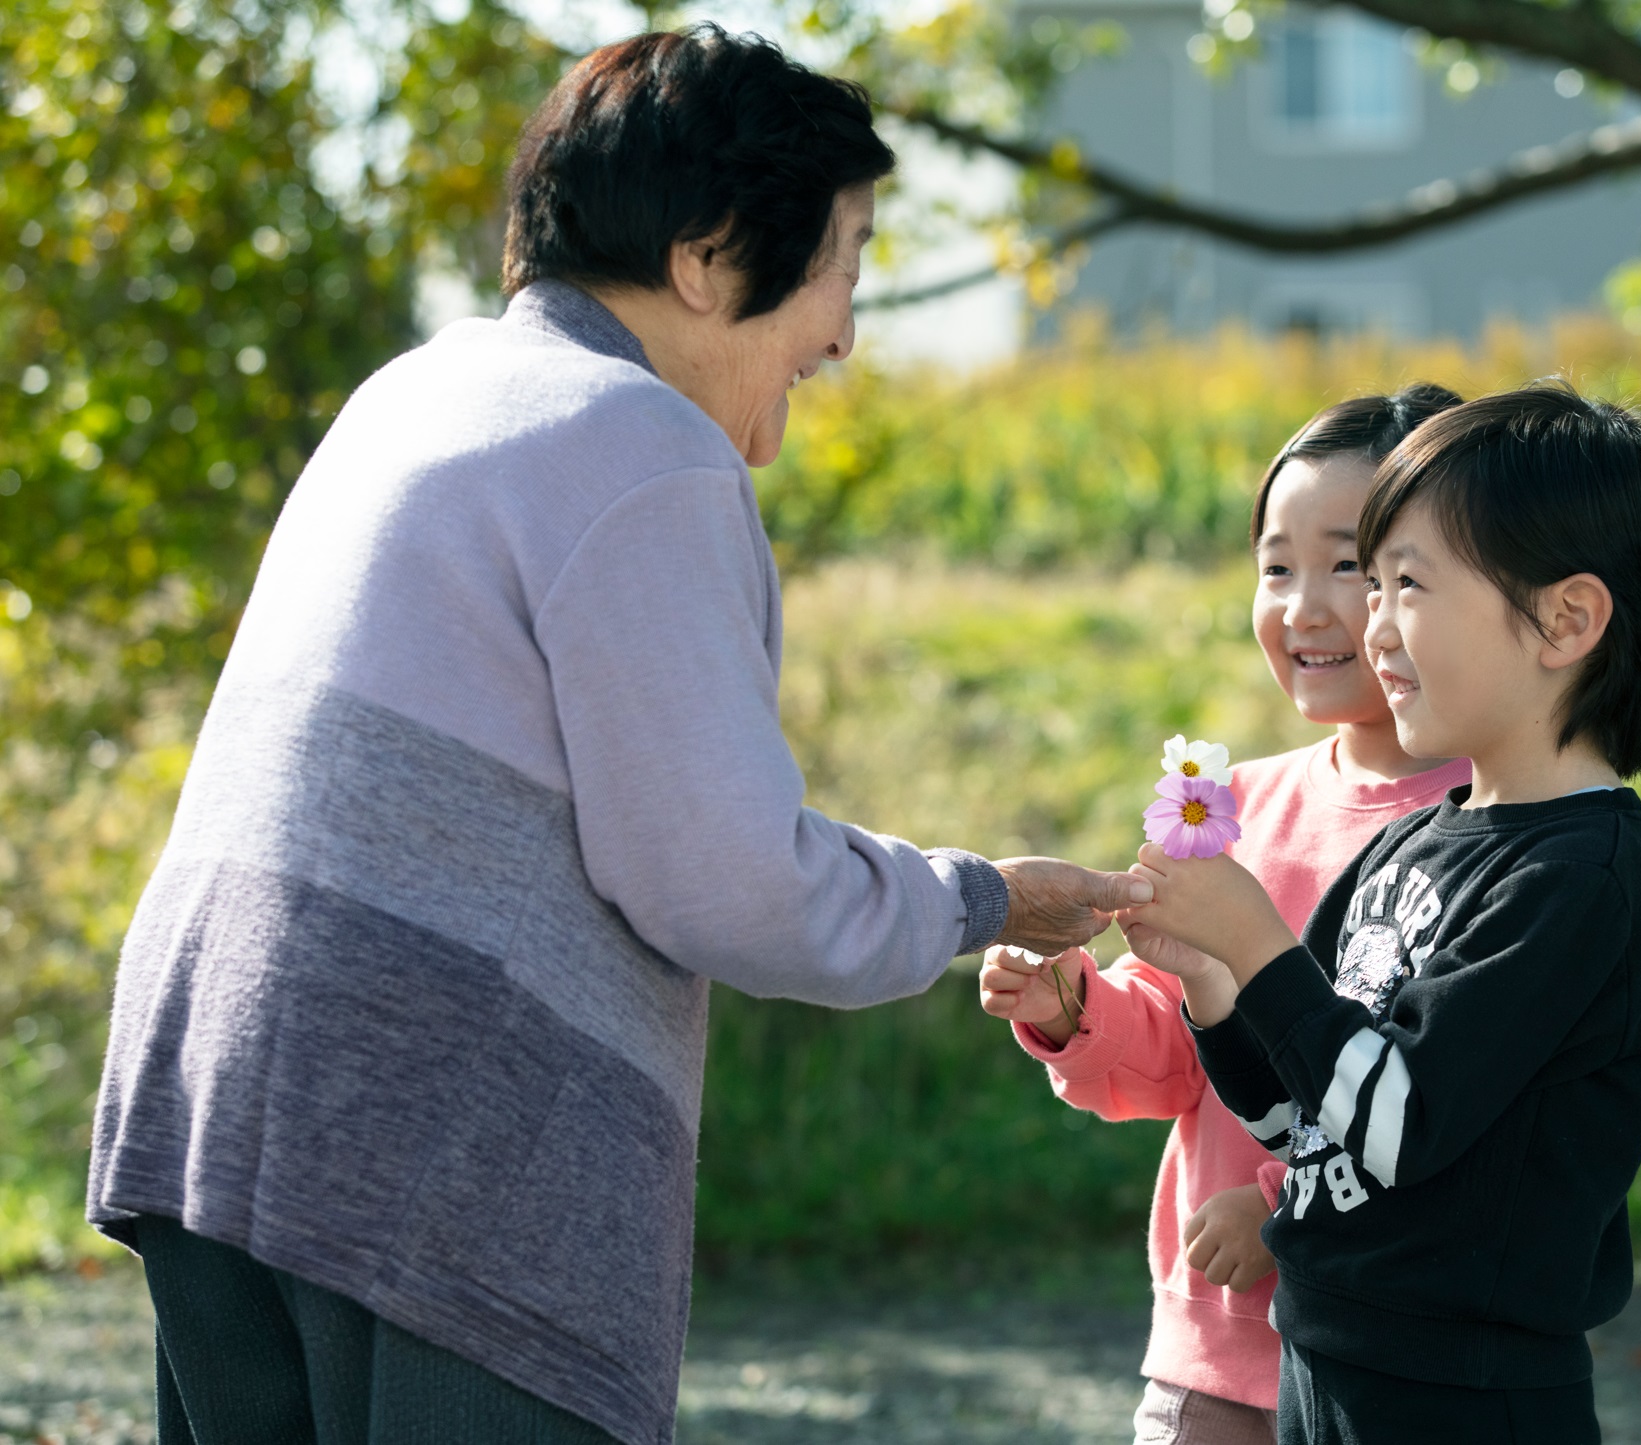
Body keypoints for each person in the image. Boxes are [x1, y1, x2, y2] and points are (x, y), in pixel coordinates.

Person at [85, 27, 1146, 1445]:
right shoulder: (636, 444)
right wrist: (984, 897)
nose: (842, 327)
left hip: (216, 1104)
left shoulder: (415, 394)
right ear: (710, 256)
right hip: (432, 1150)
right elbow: (725, 882)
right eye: (842, 259)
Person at [1116, 383, 1641, 1445]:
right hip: (1328, 1369)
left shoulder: (1578, 876)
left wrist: (1258, 939)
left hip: (1464, 1397)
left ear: (1566, 618)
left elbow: (1394, 1123)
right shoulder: (1421, 836)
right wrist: (1212, 977)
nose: (1374, 623)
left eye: (1406, 583)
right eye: (1376, 581)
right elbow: (1315, 1113)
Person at [979, 384, 1469, 1445]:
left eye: (1346, 561)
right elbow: (1176, 1059)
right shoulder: (1230, 803)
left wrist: (1288, 1204)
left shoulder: (1493, 825)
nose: (1302, 606)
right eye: (1275, 565)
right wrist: (1075, 1008)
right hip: (1212, 1361)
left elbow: (1453, 1097)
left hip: (1386, 1366)